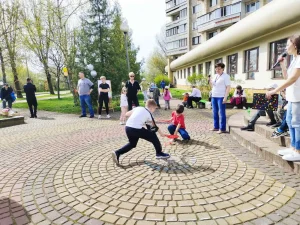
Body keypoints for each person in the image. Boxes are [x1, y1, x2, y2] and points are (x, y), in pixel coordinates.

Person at [266, 35, 300, 161]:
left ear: (295, 45)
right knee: (290, 122)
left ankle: (298, 150)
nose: (286, 47)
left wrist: (275, 90)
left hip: (298, 98)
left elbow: (293, 79)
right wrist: (283, 65)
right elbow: (287, 77)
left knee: (297, 124)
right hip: (292, 97)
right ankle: (293, 148)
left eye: (287, 44)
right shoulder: (294, 60)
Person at [112, 99, 170, 165]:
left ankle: (117, 153)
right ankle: (159, 153)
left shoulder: (138, 108)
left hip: (127, 127)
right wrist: (161, 134)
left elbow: (126, 114)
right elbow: (154, 126)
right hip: (136, 129)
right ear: (151, 107)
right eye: (154, 108)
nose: (154, 110)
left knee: (132, 144)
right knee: (153, 136)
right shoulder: (149, 113)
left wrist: (137, 116)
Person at [209, 63, 231, 134]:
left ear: (222, 69)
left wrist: (225, 97)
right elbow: (213, 85)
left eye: (219, 68)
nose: (217, 70)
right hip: (214, 96)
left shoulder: (226, 76)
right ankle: (216, 127)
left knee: (221, 113)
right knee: (214, 112)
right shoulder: (215, 76)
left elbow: (228, 87)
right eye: (216, 69)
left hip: (221, 96)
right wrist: (210, 81)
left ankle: (222, 128)